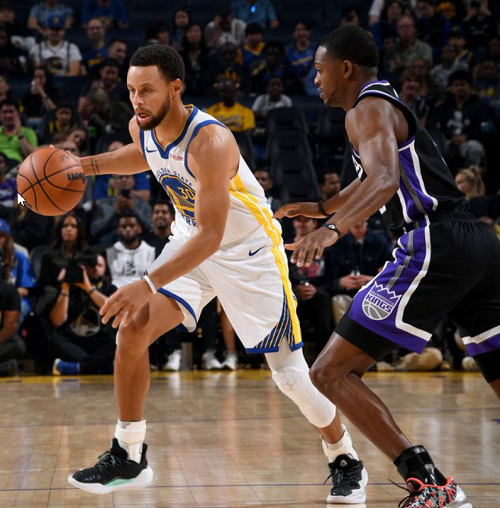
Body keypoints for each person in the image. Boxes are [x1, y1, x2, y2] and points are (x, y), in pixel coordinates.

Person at [68, 44, 368, 504]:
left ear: (175, 88)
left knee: (290, 378)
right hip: (192, 241)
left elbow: (212, 235)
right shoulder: (142, 125)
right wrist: (85, 166)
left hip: (248, 254)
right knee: (131, 329)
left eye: (147, 90)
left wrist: (147, 283)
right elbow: (144, 154)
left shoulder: (211, 141)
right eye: (131, 91)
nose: (137, 101)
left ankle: (344, 456)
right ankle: (129, 454)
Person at [275, 25, 500, 508]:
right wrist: (322, 206)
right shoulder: (383, 103)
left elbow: (383, 179)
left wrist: (330, 230)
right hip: (477, 242)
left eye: (319, 70)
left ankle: (432, 486)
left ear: (346, 68)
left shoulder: (366, 107)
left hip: (433, 241)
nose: (315, 80)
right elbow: (370, 180)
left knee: (330, 372)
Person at [49, 253, 117, 375]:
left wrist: (88, 288)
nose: (95, 268)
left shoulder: (109, 288)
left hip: (101, 341)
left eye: (99, 265)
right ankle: (99, 366)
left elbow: (111, 309)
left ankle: (79, 367)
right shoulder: (72, 289)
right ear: (84, 269)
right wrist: (65, 288)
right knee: (54, 339)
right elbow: (57, 321)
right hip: (75, 343)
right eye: (91, 266)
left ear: (105, 269)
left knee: (119, 341)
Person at [105, 212, 156, 289]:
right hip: (116, 293)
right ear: (118, 230)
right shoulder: (108, 253)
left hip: (144, 293)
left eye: (132, 226)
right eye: (124, 226)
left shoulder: (151, 252)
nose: (128, 229)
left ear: (139, 229)